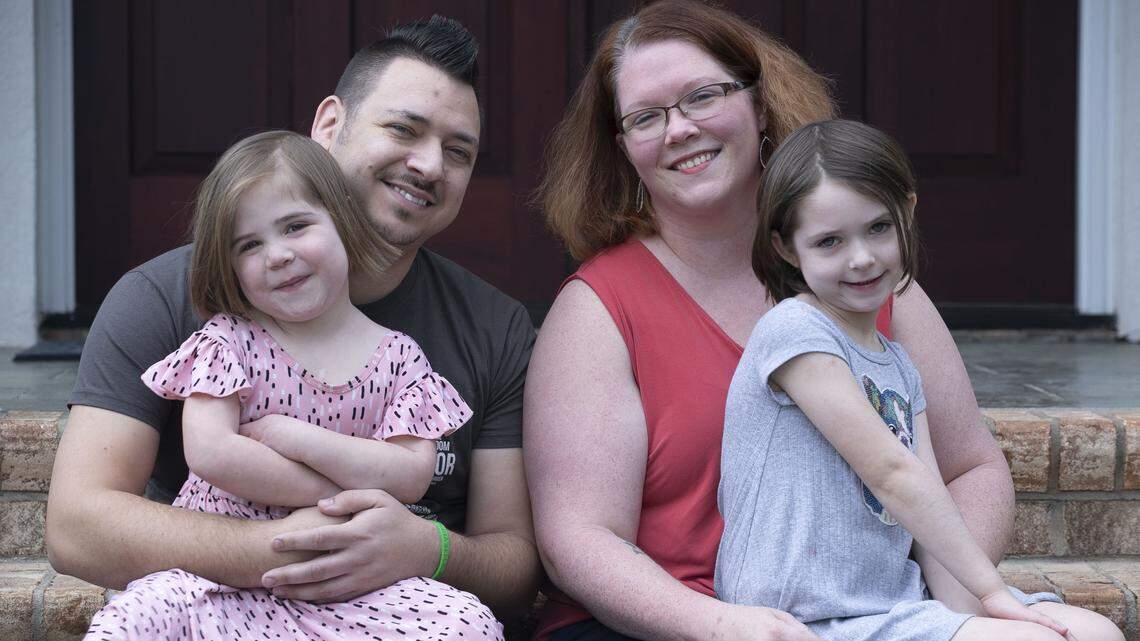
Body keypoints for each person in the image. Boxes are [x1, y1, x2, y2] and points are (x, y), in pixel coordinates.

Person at [525, 2, 1087, 639]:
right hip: (675, 621)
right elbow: (578, 538)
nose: (678, 129)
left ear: (760, 106)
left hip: (869, 609)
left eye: (702, 96)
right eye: (645, 117)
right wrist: (721, 626)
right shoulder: (600, 307)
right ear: (622, 147)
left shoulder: (869, 284)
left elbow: (968, 470)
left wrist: (950, 607)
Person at [47, 15, 539, 631]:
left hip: (387, 608)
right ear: (330, 125)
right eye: (403, 129)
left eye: (458, 151)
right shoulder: (168, 299)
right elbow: (77, 526)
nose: (430, 165)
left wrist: (429, 549)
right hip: (218, 599)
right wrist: (290, 546)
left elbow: (516, 567)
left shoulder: (491, 329)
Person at [82, 129, 502, 640]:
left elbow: (411, 474)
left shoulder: (399, 358)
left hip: (352, 585)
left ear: (344, 225)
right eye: (250, 245)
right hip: (219, 574)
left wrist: (298, 437)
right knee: (137, 619)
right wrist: (334, 502)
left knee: (465, 623)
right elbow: (211, 452)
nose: (277, 255)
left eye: (296, 226)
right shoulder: (228, 342)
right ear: (231, 268)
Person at [716, 119, 1121, 641]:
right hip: (803, 618)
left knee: (1095, 633)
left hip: (890, 603)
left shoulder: (899, 365)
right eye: (830, 241)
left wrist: (971, 609)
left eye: (878, 228)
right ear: (788, 249)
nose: (861, 257)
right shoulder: (794, 330)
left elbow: (925, 493)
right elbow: (891, 473)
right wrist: (993, 591)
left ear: (907, 213)